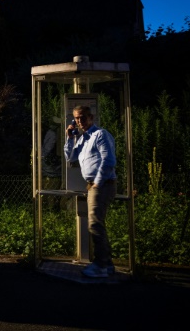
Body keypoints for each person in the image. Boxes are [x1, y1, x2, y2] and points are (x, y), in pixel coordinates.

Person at [64, 105, 117, 278]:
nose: (80, 122)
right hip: (93, 185)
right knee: (97, 224)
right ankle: (107, 265)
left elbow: (108, 160)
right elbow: (70, 157)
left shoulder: (100, 135)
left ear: (91, 117)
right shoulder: (82, 139)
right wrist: (69, 138)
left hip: (102, 184)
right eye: (77, 119)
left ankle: (100, 265)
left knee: (94, 224)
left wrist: (97, 183)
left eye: (83, 118)